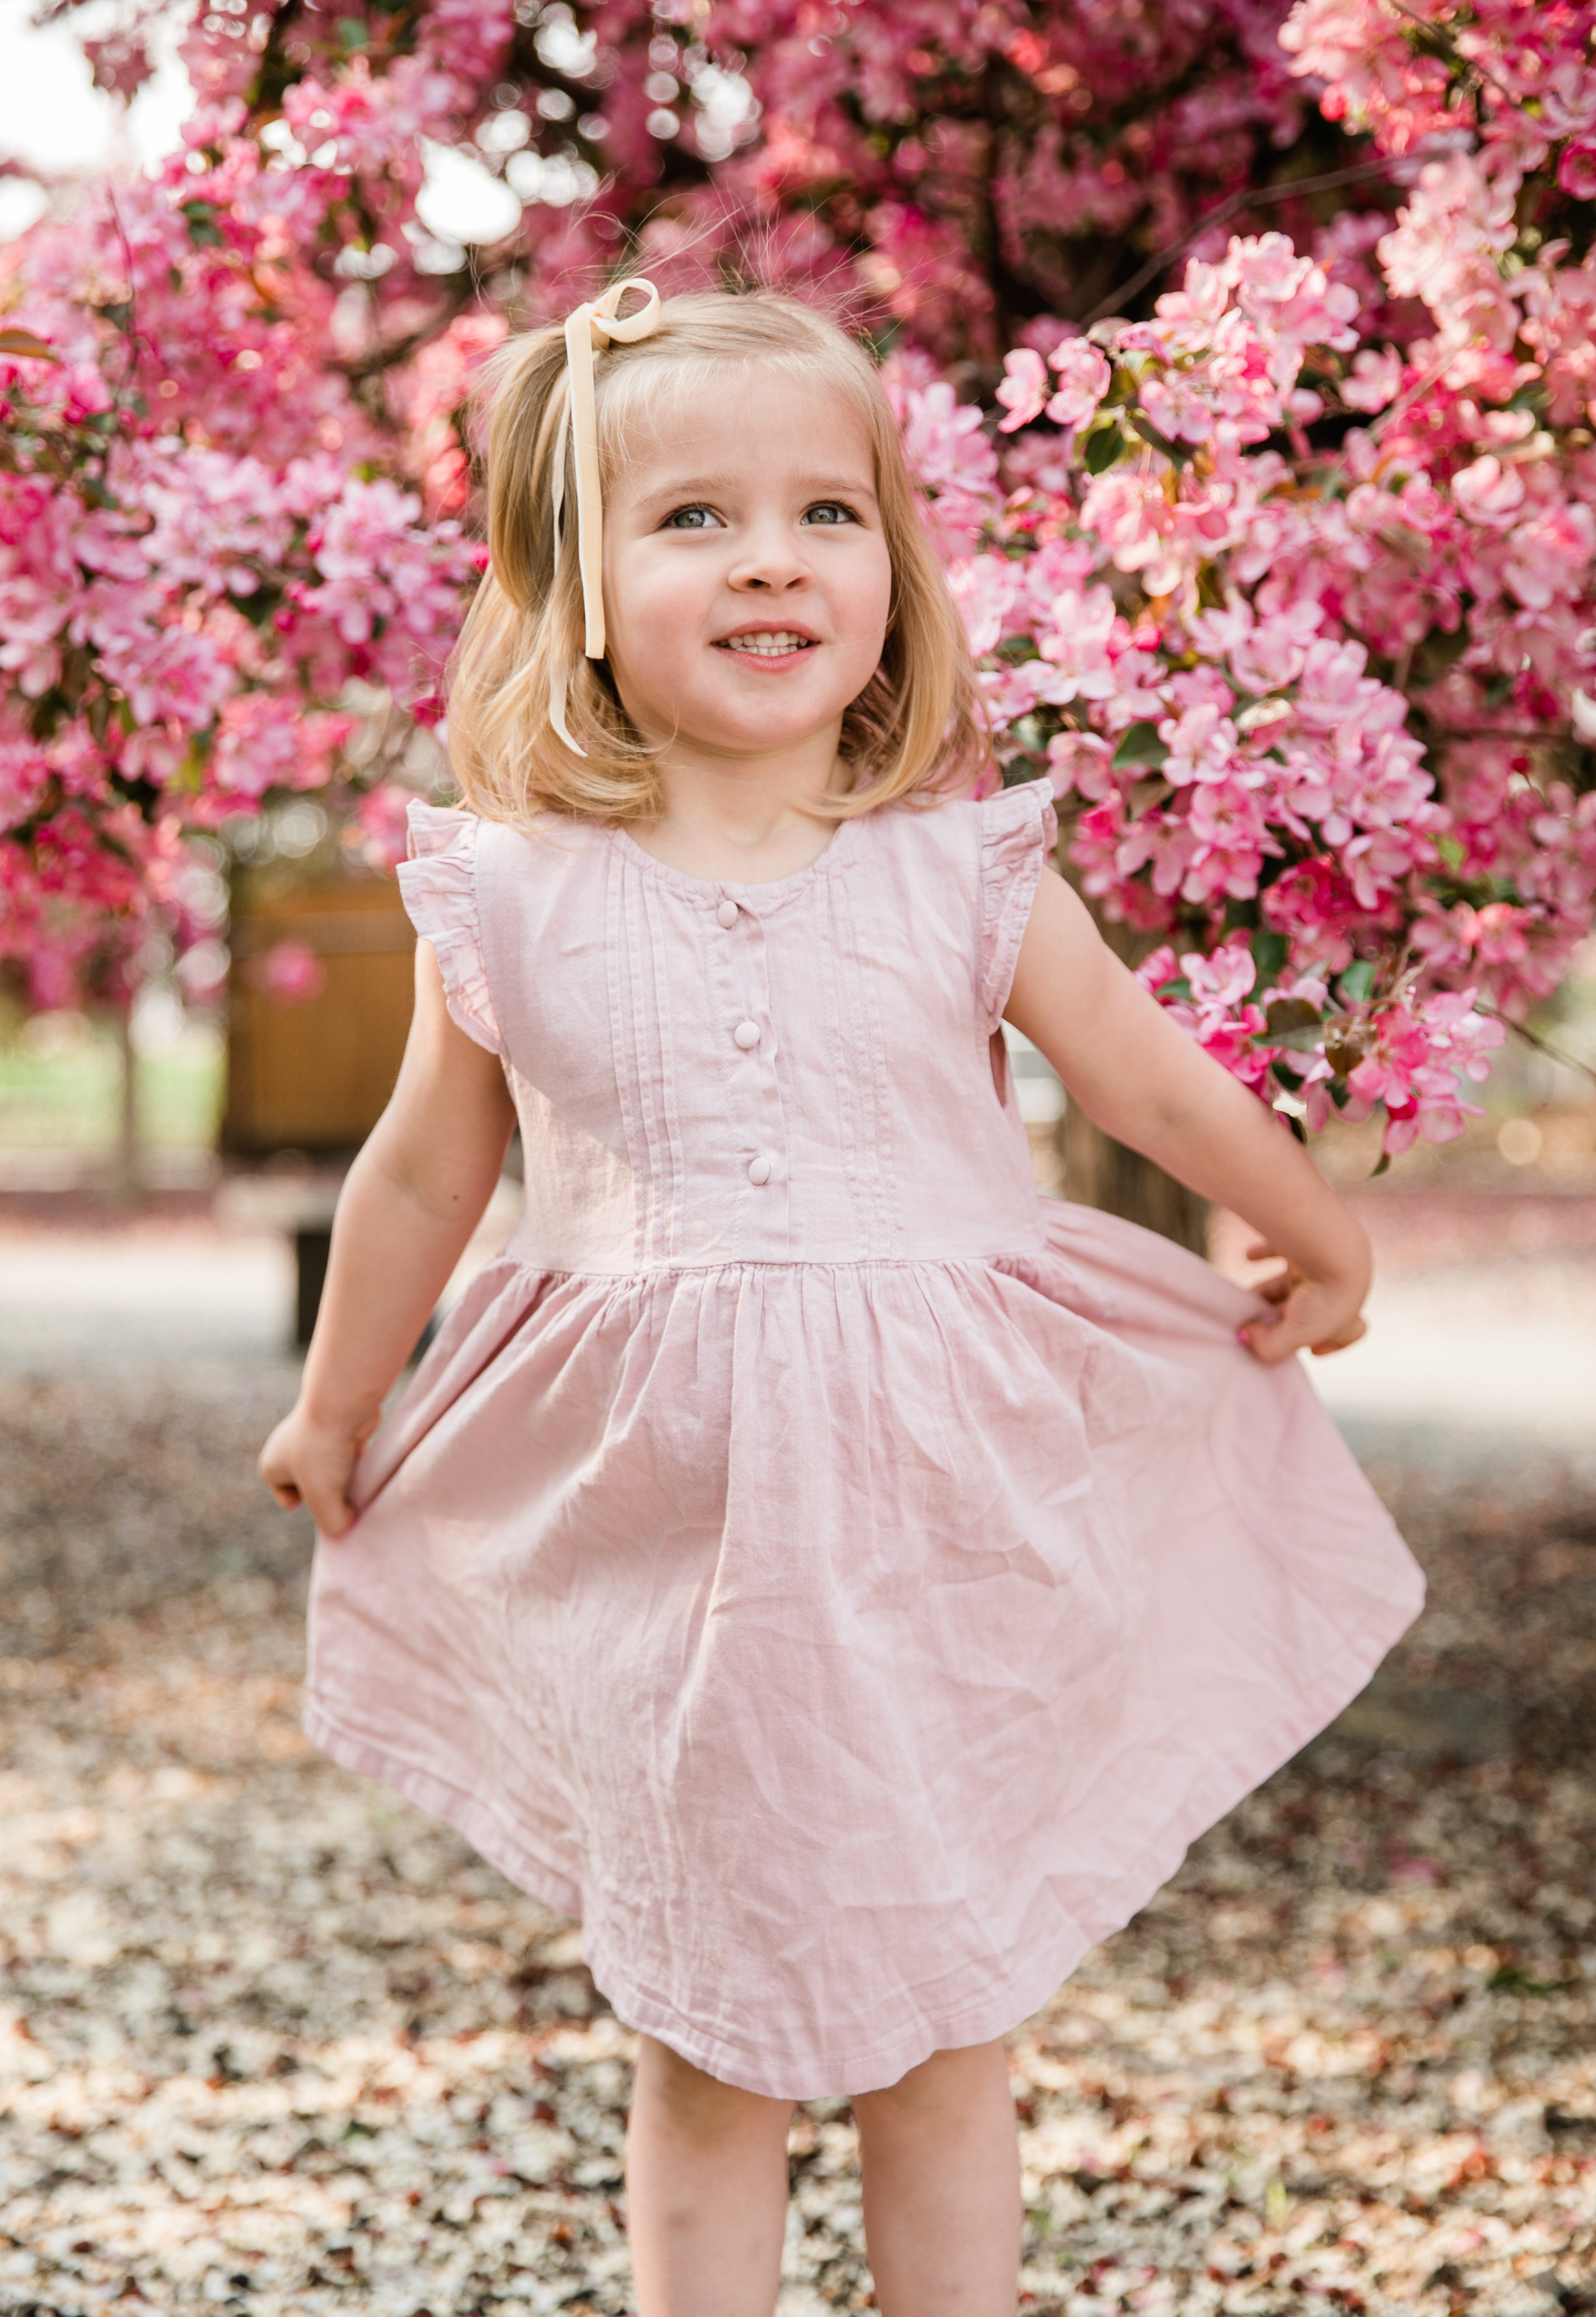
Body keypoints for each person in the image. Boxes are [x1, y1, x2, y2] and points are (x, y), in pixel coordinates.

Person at [259, 281, 1423, 2317]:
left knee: (944, 2017)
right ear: (584, 596)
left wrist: (1317, 1234)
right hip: (666, 1540)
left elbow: (1147, 1077)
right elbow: (428, 1171)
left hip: (943, 1516)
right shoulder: (511, 890)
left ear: (894, 566)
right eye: (693, 518)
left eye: (829, 511)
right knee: (705, 2036)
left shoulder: (955, 867)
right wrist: (342, 1404)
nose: (774, 557)